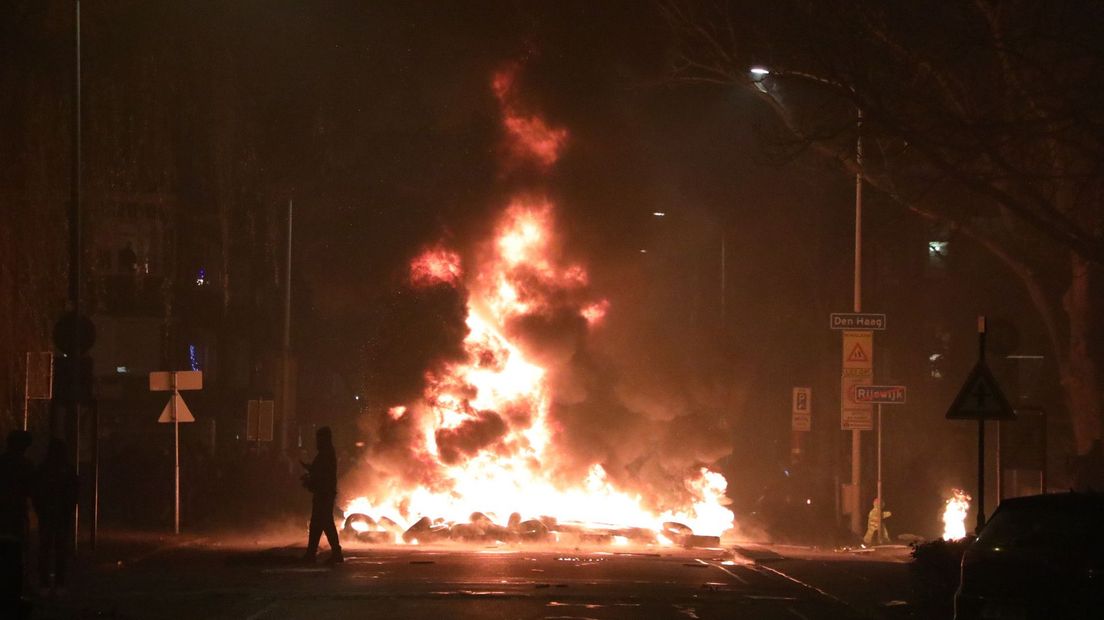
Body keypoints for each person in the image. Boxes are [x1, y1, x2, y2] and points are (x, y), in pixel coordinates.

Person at [32, 439, 78, 593]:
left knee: (45, 548)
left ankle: (44, 582)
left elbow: (36, 493)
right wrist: (69, 509)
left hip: (47, 513)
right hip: (61, 514)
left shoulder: (43, 469)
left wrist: (39, 509)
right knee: (60, 549)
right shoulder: (68, 470)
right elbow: (74, 493)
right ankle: (59, 582)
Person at [0, 430, 33, 610]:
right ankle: (15, 591)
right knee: (17, 555)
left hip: (3, 516)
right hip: (16, 517)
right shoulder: (25, 465)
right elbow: (32, 490)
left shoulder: (2, 463)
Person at [301, 427, 342, 564]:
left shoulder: (326, 454)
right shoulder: (326, 454)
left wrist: (310, 479)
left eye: (319, 438)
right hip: (323, 493)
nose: (316, 442)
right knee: (317, 524)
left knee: (325, 523)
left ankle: (335, 553)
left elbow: (323, 474)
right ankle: (311, 553)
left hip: (324, 494)